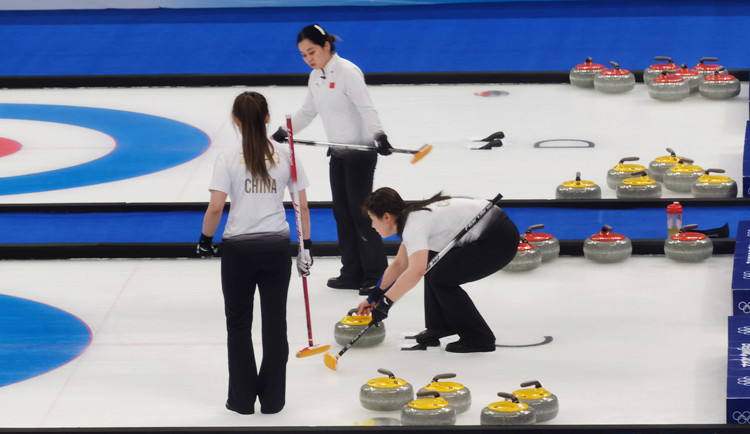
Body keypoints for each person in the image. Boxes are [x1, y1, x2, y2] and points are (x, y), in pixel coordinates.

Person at [197, 91, 312, 415]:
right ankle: (274, 400)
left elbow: (216, 207)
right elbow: (301, 205)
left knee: (238, 324)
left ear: (235, 121)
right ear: (266, 118)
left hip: (239, 249)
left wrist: (205, 240)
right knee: (275, 324)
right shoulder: (286, 154)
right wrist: (307, 248)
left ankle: (242, 400)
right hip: (276, 247)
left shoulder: (227, 157)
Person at [271, 23, 391, 292]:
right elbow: (307, 112)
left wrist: (379, 134)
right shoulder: (316, 77)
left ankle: (375, 274)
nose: (308, 59)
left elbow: (365, 106)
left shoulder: (348, 72)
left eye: (311, 52)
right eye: (303, 55)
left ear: (326, 46)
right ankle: (351, 271)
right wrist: (284, 131)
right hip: (337, 153)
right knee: (342, 214)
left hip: (360, 153)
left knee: (362, 215)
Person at [357, 187, 520, 353]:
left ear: (386, 216)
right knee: (432, 265)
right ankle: (441, 325)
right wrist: (374, 297)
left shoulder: (414, 225)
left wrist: (386, 303)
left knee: (441, 278)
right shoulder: (411, 217)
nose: (372, 225)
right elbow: (400, 264)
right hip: (493, 231)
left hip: (498, 239)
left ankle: (479, 338)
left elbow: (416, 271)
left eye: (372, 219)